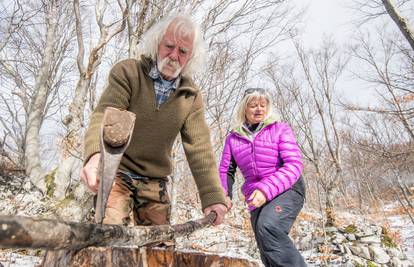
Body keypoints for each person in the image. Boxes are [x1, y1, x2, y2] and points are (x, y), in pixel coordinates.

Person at [80, 14, 228, 228]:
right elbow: (106, 115)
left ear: (191, 57)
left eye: (183, 51)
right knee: (109, 233)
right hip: (117, 171)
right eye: (169, 46)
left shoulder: (190, 95)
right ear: (157, 43)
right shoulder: (128, 72)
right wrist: (94, 157)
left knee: (159, 246)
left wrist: (213, 196)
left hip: (154, 179)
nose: (174, 55)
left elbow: (200, 148)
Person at [218, 88, 307, 267]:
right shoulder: (233, 138)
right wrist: (223, 197)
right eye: (253, 106)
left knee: (268, 227)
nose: (259, 109)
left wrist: (265, 191)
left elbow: (294, 165)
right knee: (264, 242)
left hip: (288, 189)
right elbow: (226, 170)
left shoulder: (280, 129)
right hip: (255, 196)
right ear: (244, 108)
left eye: (262, 105)